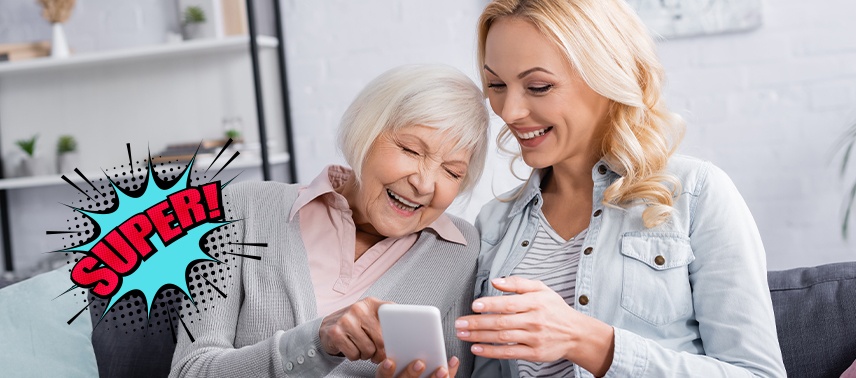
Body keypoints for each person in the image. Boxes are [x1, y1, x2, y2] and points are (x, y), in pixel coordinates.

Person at [453, 1, 788, 377]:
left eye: (538, 86)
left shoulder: (695, 195)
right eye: (496, 85)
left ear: (606, 77)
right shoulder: (495, 223)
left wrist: (588, 342)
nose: (509, 111)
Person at [170, 64, 489, 377]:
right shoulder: (241, 208)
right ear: (366, 130)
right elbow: (190, 371)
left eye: (452, 171)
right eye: (410, 150)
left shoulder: (458, 249)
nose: (424, 184)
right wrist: (317, 342)